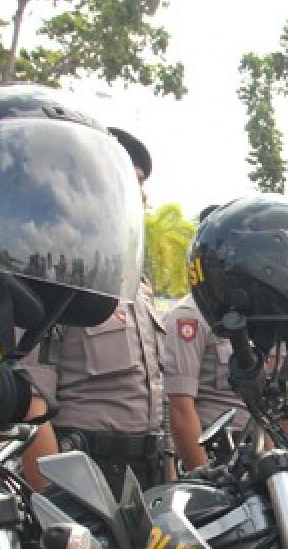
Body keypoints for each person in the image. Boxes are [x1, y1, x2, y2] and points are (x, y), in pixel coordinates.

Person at [20, 125, 167, 494]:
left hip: (148, 470)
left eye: (142, 183)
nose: (142, 195)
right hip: (85, 471)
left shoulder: (139, 286)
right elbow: (30, 407)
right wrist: (56, 508)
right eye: (130, 180)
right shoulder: (54, 277)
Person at [162, 295, 249, 469]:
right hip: (214, 452)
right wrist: (203, 475)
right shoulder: (190, 315)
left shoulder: (248, 312)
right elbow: (180, 407)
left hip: (251, 450)